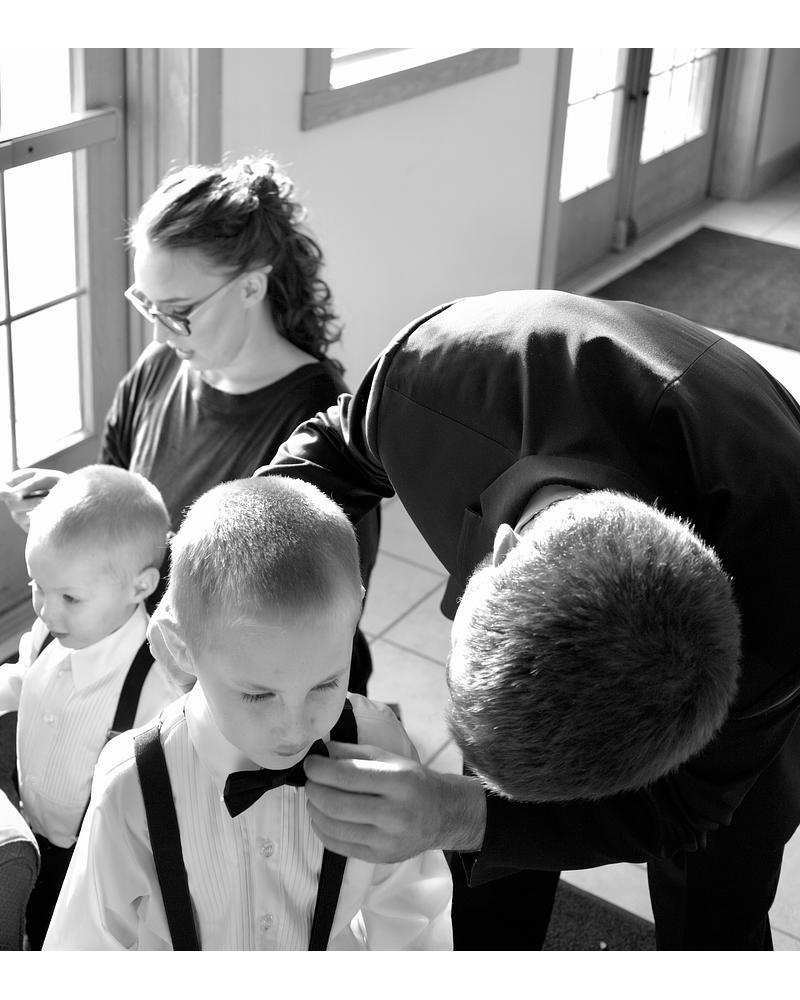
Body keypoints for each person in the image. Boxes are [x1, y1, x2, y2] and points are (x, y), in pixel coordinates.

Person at [253, 288, 800, 951]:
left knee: (717, 893)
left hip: (771, 584)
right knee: (496, 861)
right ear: (502, 549)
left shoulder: (780, 616)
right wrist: (232, 562)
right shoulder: (430, 381)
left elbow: (688, 808)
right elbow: (338, 449)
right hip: (533, 396)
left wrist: (454, 812)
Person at [1, 153, 378, 695]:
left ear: (251, 287)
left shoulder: (321, 429)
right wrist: (78, 519)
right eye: (148, 306)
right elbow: (127, 513)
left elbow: (309, 615)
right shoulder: (158, 369)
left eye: (177, 312)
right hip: (149, 669)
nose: (159, 335)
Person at [43, 477, 452, 951]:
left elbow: (415, 924)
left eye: (325, 684)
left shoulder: (381, 749)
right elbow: (83, 948)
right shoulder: (130, 784)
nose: (296, 727)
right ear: (180, 645)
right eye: (258, 696)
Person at [0, 464, 180, 949]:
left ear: (140, 587)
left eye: (69, 598)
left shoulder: (156, 684)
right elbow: (24, 677)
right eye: (37, 586)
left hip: (91, 861)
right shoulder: (51, 630)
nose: (45, 609)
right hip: (33, 820)